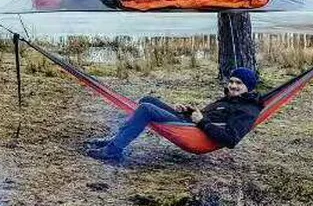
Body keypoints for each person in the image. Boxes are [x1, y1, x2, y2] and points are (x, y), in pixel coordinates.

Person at [85, 67, 262, 161]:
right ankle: (117, 140)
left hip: (197, 135)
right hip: (191, 124)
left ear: (249, 87)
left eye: (238, 83)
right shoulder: (231, 99)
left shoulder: (247, 109)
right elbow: (212, 115)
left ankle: (113, 150)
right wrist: (188, 110)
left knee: (146, 109)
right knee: (148, 100)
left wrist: (201, 122)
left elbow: (231, 139)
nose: (232, 86)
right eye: (231, 81)